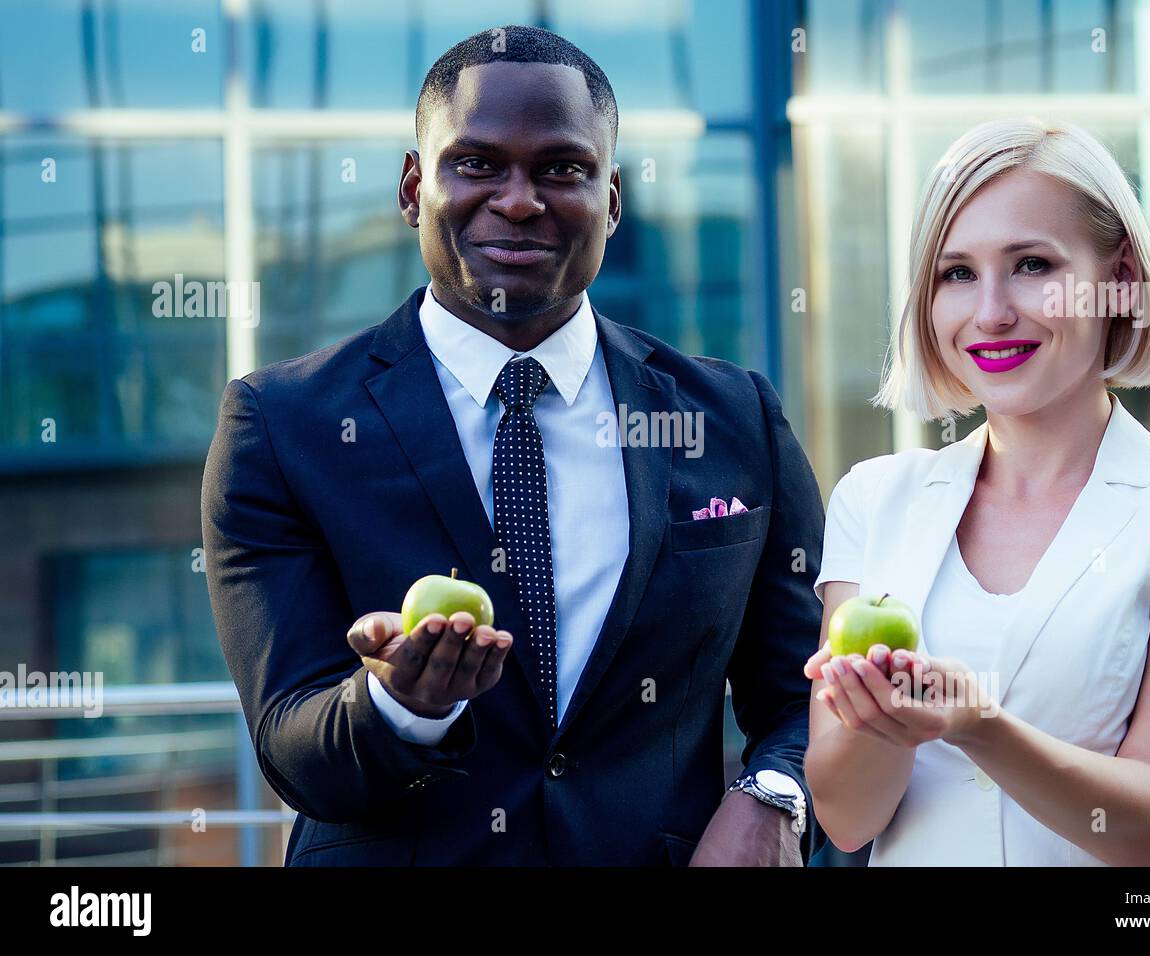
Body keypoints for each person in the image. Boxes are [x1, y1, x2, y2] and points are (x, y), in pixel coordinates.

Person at [201, 25, 825, 866]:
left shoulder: (733, 417)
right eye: (478, 164)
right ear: (414, 187)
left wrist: (773, 797)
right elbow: (293, 745)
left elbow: (807, 693)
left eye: (562, 169)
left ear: (610, 201)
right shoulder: (282, 426)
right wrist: (401, 705)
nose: (520, 199)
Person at [804, 117, 1150, 866]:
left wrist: (978, 725)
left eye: (1031, 265)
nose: (991, 311)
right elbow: (848, 819)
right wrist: (882, 720)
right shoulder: (875, 499)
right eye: (956, 273)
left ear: (1120, 280)